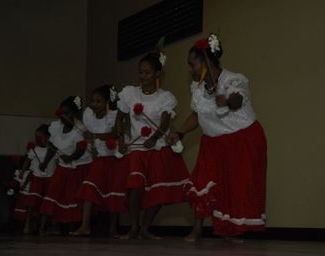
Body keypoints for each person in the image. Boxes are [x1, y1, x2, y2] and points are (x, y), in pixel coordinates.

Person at [168, 34, 267, 241]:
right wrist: (180, 132)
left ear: (205, 61)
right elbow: (196, 115)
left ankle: (230, 231)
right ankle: (196, 230)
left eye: (192, 63)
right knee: (202, 182)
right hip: (212, 142)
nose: (189, 68)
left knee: (235, 187)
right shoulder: (197, 88)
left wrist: (228, 101)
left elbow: (237, 99)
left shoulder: (233, 79)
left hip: (241, 139)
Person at [116, 51, 190, 239]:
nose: (143, 76)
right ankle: (133, 227)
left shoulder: (165, 97)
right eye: (141, 72)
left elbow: (165, 122)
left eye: (147, 72)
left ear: (157, 74)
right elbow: (120, 119)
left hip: (157, 147)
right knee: (135, 186)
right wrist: (121, 139)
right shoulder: (129, 93)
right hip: (136, 149)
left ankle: (145, 228)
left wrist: (155, 137)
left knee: (159, 188)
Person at [73, 85, 128, 238]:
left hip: (115, 159)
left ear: (105, 102)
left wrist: (95, 135)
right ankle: (85, 226)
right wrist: (92, 144)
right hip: (99, 160)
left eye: (98, 101)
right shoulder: (89, 116)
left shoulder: (113, 115)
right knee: (89, 189)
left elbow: (115, 133)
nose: (94, 104)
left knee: (114, 193)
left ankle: (113, 229)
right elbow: (90, 137)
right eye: (92, 101)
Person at [39, 96, 92, 234]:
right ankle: (52, 226)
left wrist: (70, 157)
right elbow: (52, 148)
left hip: (79, 167)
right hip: (63, 166)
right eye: (61, 113)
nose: (63, 116)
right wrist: (44, 163)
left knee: (71, 196)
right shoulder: (56, 128)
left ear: (75, 114)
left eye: (67, 113)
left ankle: (72, 227)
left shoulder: (80, 129)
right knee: (54, 192)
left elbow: (81, 149)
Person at [20, 124, 57, 235]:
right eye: (36, 137)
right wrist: (22, 171)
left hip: (49, 178)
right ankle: (27, 226)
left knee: (46, 204)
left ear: (47, 137)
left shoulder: (52, 149)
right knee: (32, 204)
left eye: (39, 137)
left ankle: (42, 228)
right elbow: (28, 161)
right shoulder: (34, 149)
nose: (37, 139)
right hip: (36, 178)